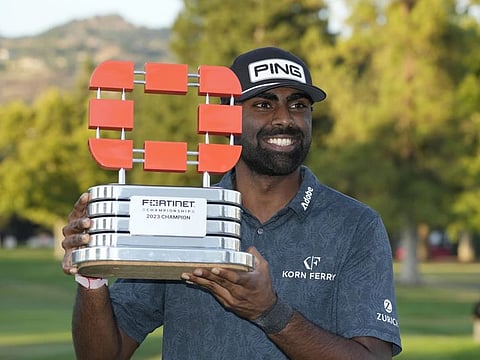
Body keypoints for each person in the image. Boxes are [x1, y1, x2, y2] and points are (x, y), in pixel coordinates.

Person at [61, 47, 402, 359]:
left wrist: (270, 313)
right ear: (225, 118)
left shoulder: (355, 224)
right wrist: (92, 275)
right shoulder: (181, 219)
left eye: (298, 105)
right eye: (263, 104)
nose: (284, 119)